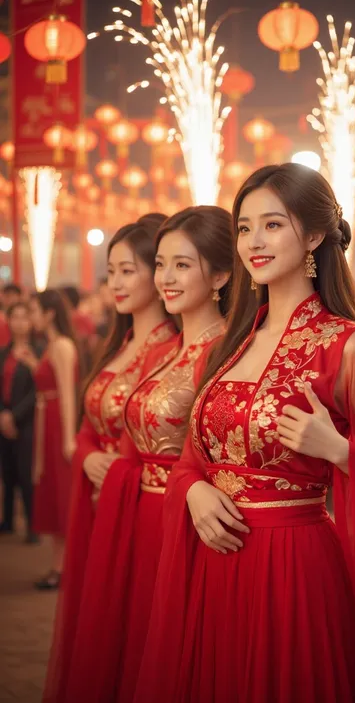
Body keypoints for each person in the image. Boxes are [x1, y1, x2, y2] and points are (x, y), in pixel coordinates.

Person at [134, 164, 355, 703]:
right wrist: (194, 491)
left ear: (315, 236)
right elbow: (191, 459)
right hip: (213, 561)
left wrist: (340, 452)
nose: (254, 241)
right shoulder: (232, 342)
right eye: (245, 227)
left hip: (293, 568)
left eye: (273, 225)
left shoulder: (347, 345)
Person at [43, 206, 232, 703]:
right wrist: (92, 458)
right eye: (162, 264)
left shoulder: (222, 351)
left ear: (219, 274)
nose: (165, 278)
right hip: (143, 506)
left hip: (185, 517)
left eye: (179, 265)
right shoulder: (164, 351)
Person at [42, 218, 177, 702]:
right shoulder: (117, 346)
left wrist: (113, 469)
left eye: (129, 270)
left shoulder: (177, 351)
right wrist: (85, 457)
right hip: (102, 501)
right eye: (111, 271)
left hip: (142, 506)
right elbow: (85, 428)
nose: (114, 283)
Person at [18, 290, 79, 590]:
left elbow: (67, 394)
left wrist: (69, 439)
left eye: (34, 311)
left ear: (50, 313)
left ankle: (65, 566)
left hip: (57, 425)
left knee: (61, 495)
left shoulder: (63, 346)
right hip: (48, 421)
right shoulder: (51, 345)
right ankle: (59, 564)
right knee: (53, 493)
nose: (31, 318)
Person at [0, 303, 44, 540]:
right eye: (14, 317)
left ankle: (32, 527)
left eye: (23, 317)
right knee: (7, 473)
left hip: (27, 421)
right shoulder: (4, 352)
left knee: (27, 475)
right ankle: (7, 520)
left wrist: (13, 416)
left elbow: (38, 389)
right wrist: (3, 415)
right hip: (3, 418)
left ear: (30, 321)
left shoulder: (38, 350)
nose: (18, 322)